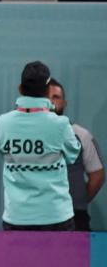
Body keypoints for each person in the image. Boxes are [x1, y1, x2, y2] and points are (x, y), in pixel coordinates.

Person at [0, 63, 81, 231]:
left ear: (20, 88)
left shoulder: (2, 123)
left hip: (17, 216)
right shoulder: (60, 124)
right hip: (56, 215)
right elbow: (73, 155)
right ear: (48, 91)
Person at [47, 78, 104, 231]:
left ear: (64, 103)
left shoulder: (81, 134)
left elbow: (97, 176)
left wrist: (79, 201)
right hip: (40, 216)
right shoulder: (30, 136)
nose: (51, 102)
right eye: (46, 97)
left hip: (74, 216)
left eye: (56, 97)